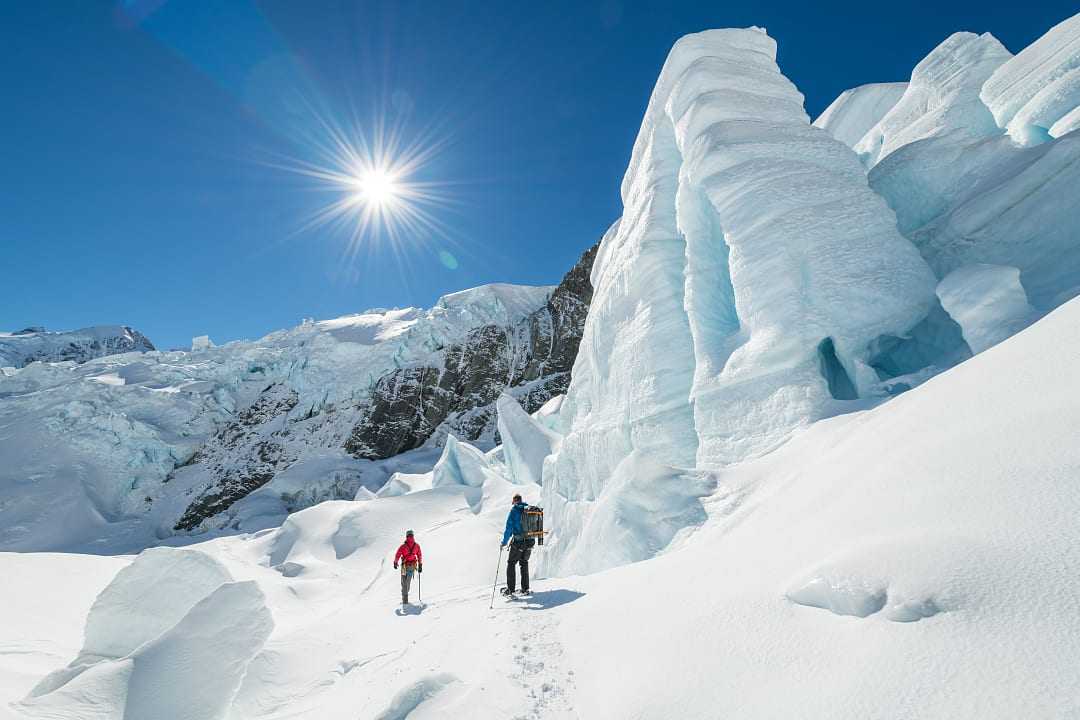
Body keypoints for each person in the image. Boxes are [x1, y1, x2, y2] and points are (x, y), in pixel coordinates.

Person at [500, 494, 534, 596]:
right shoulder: (528, 510)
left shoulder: (514, 511)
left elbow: (509, 528)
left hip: (518, 543)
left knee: (511, 563)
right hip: (529, 542)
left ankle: (510, 590)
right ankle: (525, 589)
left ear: (515, 501)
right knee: (524, 563)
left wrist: (504, 542)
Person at [393, 530, 423, 605]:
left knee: (403, 582)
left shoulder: (403, 546)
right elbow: (419, 555)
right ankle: (405, 600)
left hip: (404, 566)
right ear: (413, 536)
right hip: (412, 566)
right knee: (407, 582)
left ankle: (404, 600)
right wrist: (420, 565)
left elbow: (398, 554)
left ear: (406, 536)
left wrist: (395, 562)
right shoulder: (416, 546)